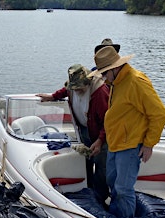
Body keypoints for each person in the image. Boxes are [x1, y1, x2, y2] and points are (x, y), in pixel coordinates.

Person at [88, 46, 165, 218]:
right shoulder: (115, 82)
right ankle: (117, 213)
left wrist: (148, 144)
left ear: (115, 68)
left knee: (124, 189)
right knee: (112, 181)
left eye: (104, 73)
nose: (102, 78)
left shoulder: (136, 82)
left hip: (130, 146)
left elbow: (160, 113)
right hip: (115, 143)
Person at [36, 64, 110, 206]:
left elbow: (108, 121)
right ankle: (88, 189)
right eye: (74, 87)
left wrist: (101, 141)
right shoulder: (71, 89)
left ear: (87, 82)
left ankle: (101, 197)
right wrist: (52, 96)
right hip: (84, 130)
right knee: (85, 161)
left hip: (101, 133)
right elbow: (66, 91)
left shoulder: (100, 92)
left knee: (102, 165)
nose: (77, 90)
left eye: (79, 87)